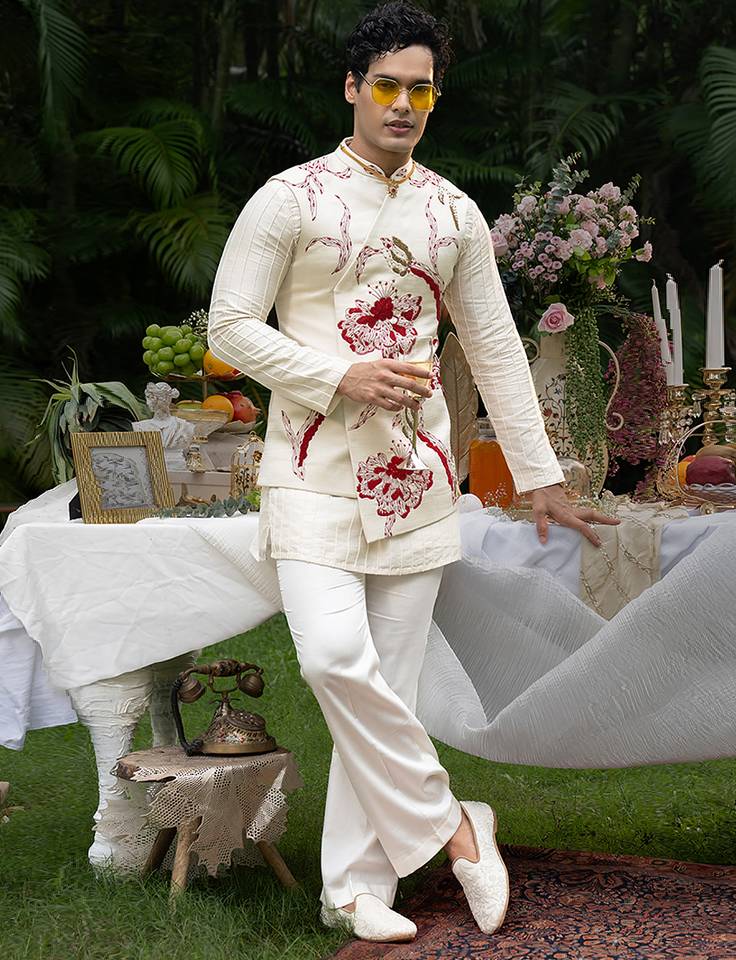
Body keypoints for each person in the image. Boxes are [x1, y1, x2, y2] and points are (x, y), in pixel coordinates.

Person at [208, 0, 619, 943]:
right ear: (352, 88)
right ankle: (457, 827)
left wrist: (539, 473)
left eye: (420, 90)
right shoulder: (289, 198)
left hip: (418, 477)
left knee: (386, 688)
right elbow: (229, 327)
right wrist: (337, 376)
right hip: (309, 468)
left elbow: (496, 346)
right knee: (332, 660)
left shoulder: (453, 212)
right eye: (386, 86)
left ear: (434, 99)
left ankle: (354, 888)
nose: (402, 104)